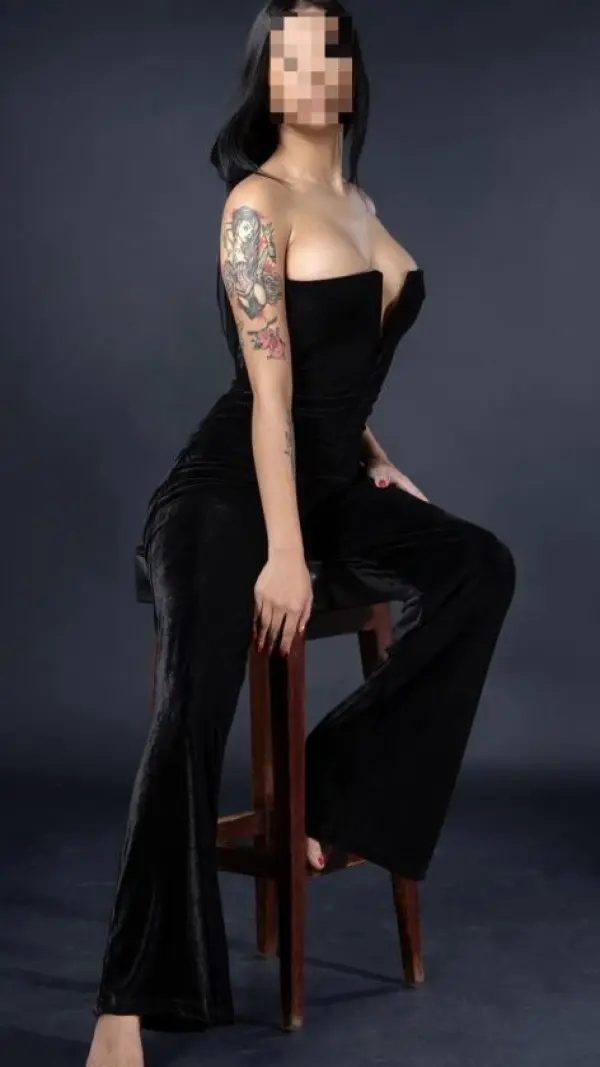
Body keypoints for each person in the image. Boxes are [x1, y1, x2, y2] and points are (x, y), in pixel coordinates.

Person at [86, 2, 517, 1064]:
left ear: (350, 71)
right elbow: (271, 391)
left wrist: (375, 456)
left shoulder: (360, 203)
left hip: (325, 482)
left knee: (478, 565)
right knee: (192, 706)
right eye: (290, 59)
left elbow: (336, 373)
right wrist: (283, 550)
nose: (314, 74)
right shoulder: (258, 203)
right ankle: (125, 1002)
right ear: (267, 80)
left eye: (330, 52)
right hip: (226, 489)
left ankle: (326, 796)